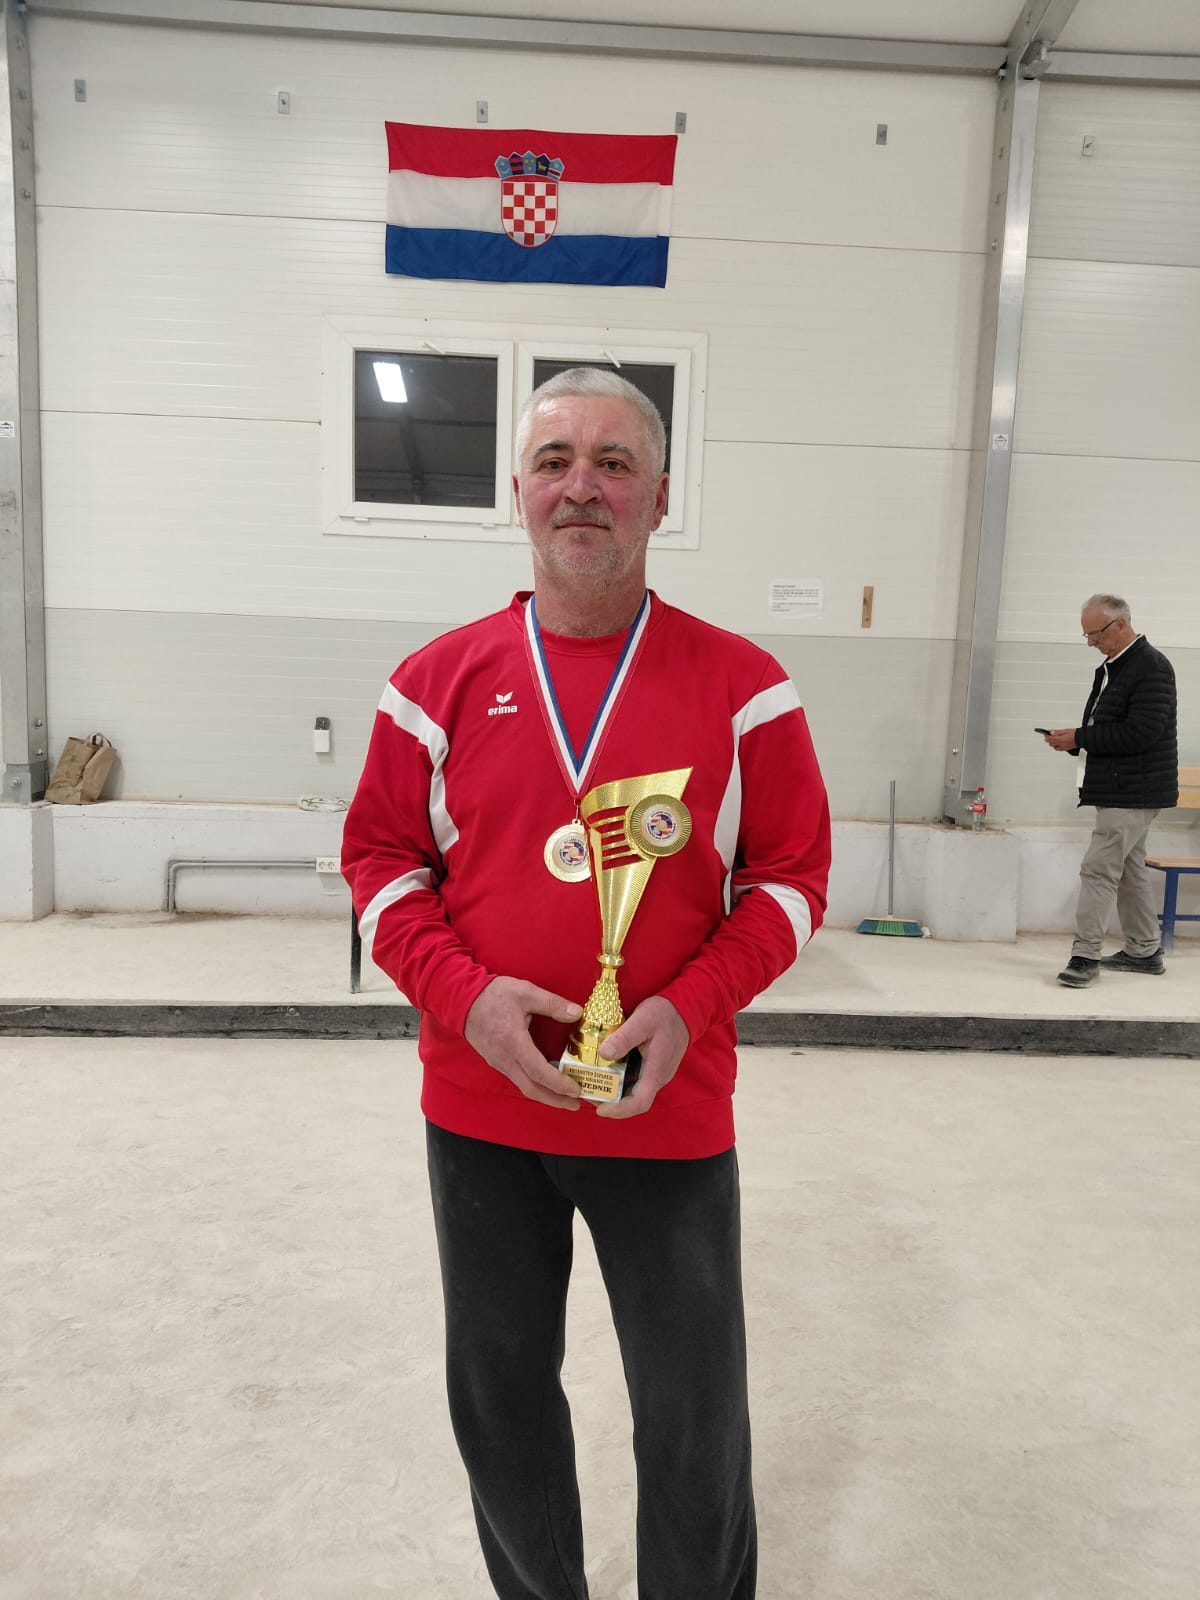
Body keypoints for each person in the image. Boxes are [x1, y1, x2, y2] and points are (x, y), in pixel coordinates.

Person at [341, 367, 831, 1600]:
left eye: (615, 462)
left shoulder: (746, 688)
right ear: (517, 491)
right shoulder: (433, 684)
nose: (582, 486)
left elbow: (791, 880)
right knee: (499, 1392)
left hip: (666, 1107)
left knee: (693, 1409)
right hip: (480, 1109)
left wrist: (693, 1002)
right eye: (555, 460)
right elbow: (380, 864)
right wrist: (465, 996)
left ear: (661, 497)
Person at [1043, 593, 1177, 988]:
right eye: (1086, 635)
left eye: (1096, 634)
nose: (1091, 642)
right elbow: (1111, 729)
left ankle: (1085, 956)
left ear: (1120, 624)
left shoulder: (1150, 666)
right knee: (1131, 870)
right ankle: (1144, 951)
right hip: (1123, 786)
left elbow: (1142, 732)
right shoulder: (1116, 667)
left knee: (1098, 869)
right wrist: (1075, 742)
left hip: (1133, 791)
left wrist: (1080, 737)